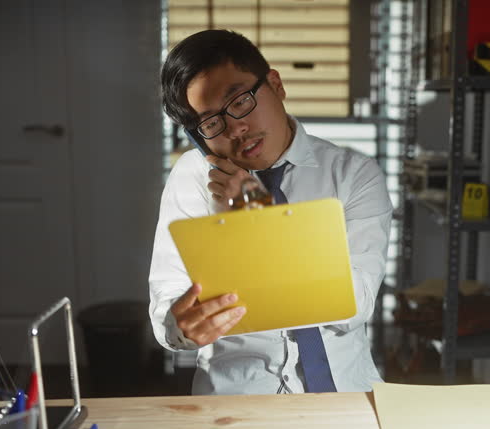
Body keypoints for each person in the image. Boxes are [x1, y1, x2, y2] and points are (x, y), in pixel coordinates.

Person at [149, 29, 392, 395]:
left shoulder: (353, 174)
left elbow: (356, 302)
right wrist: (182, 328)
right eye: (212, 122)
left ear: (275, 85)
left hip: (347, 392)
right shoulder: (193, 178)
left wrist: (261, 219)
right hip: (236, 400)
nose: (237, 128)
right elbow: (166, 313)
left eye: (241, 101)